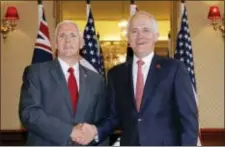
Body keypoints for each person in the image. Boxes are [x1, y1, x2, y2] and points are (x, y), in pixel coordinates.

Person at [75, 11, 199, 146]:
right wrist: (94, 131)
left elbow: (188, 120)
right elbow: (112, 117)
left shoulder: (174, 69)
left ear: (155, 36)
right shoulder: (116, 74)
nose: (140, 36)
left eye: (146, 30)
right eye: (134, 31)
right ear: (128, 38)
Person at [19, 20, 107, 145]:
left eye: (73, 35)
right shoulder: (36, 73)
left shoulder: (96, 80)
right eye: (62, 36)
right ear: (55, 43)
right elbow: (29, 113)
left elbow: (100, 122)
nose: (67, 41)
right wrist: (69, 131)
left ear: (81, 43)